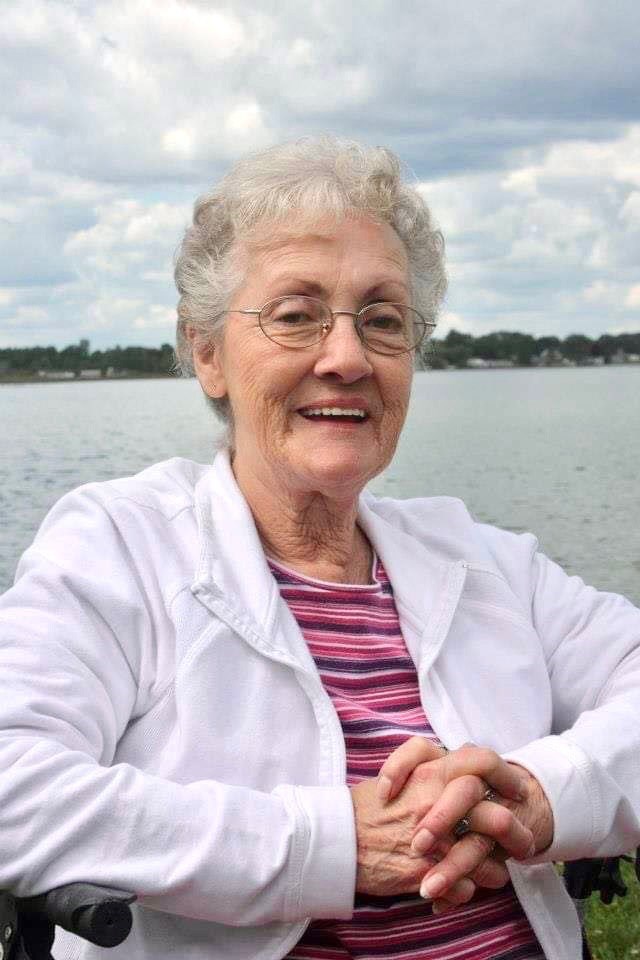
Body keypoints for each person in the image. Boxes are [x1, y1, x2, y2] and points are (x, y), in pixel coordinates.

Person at [0, 137, 639, 960]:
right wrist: (330, 846)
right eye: (295, 314)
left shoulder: (483, 561)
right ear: (206, 352)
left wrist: (544, 796)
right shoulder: (120, 547)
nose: (346, 358)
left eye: (382, 320)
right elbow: (14, 784)